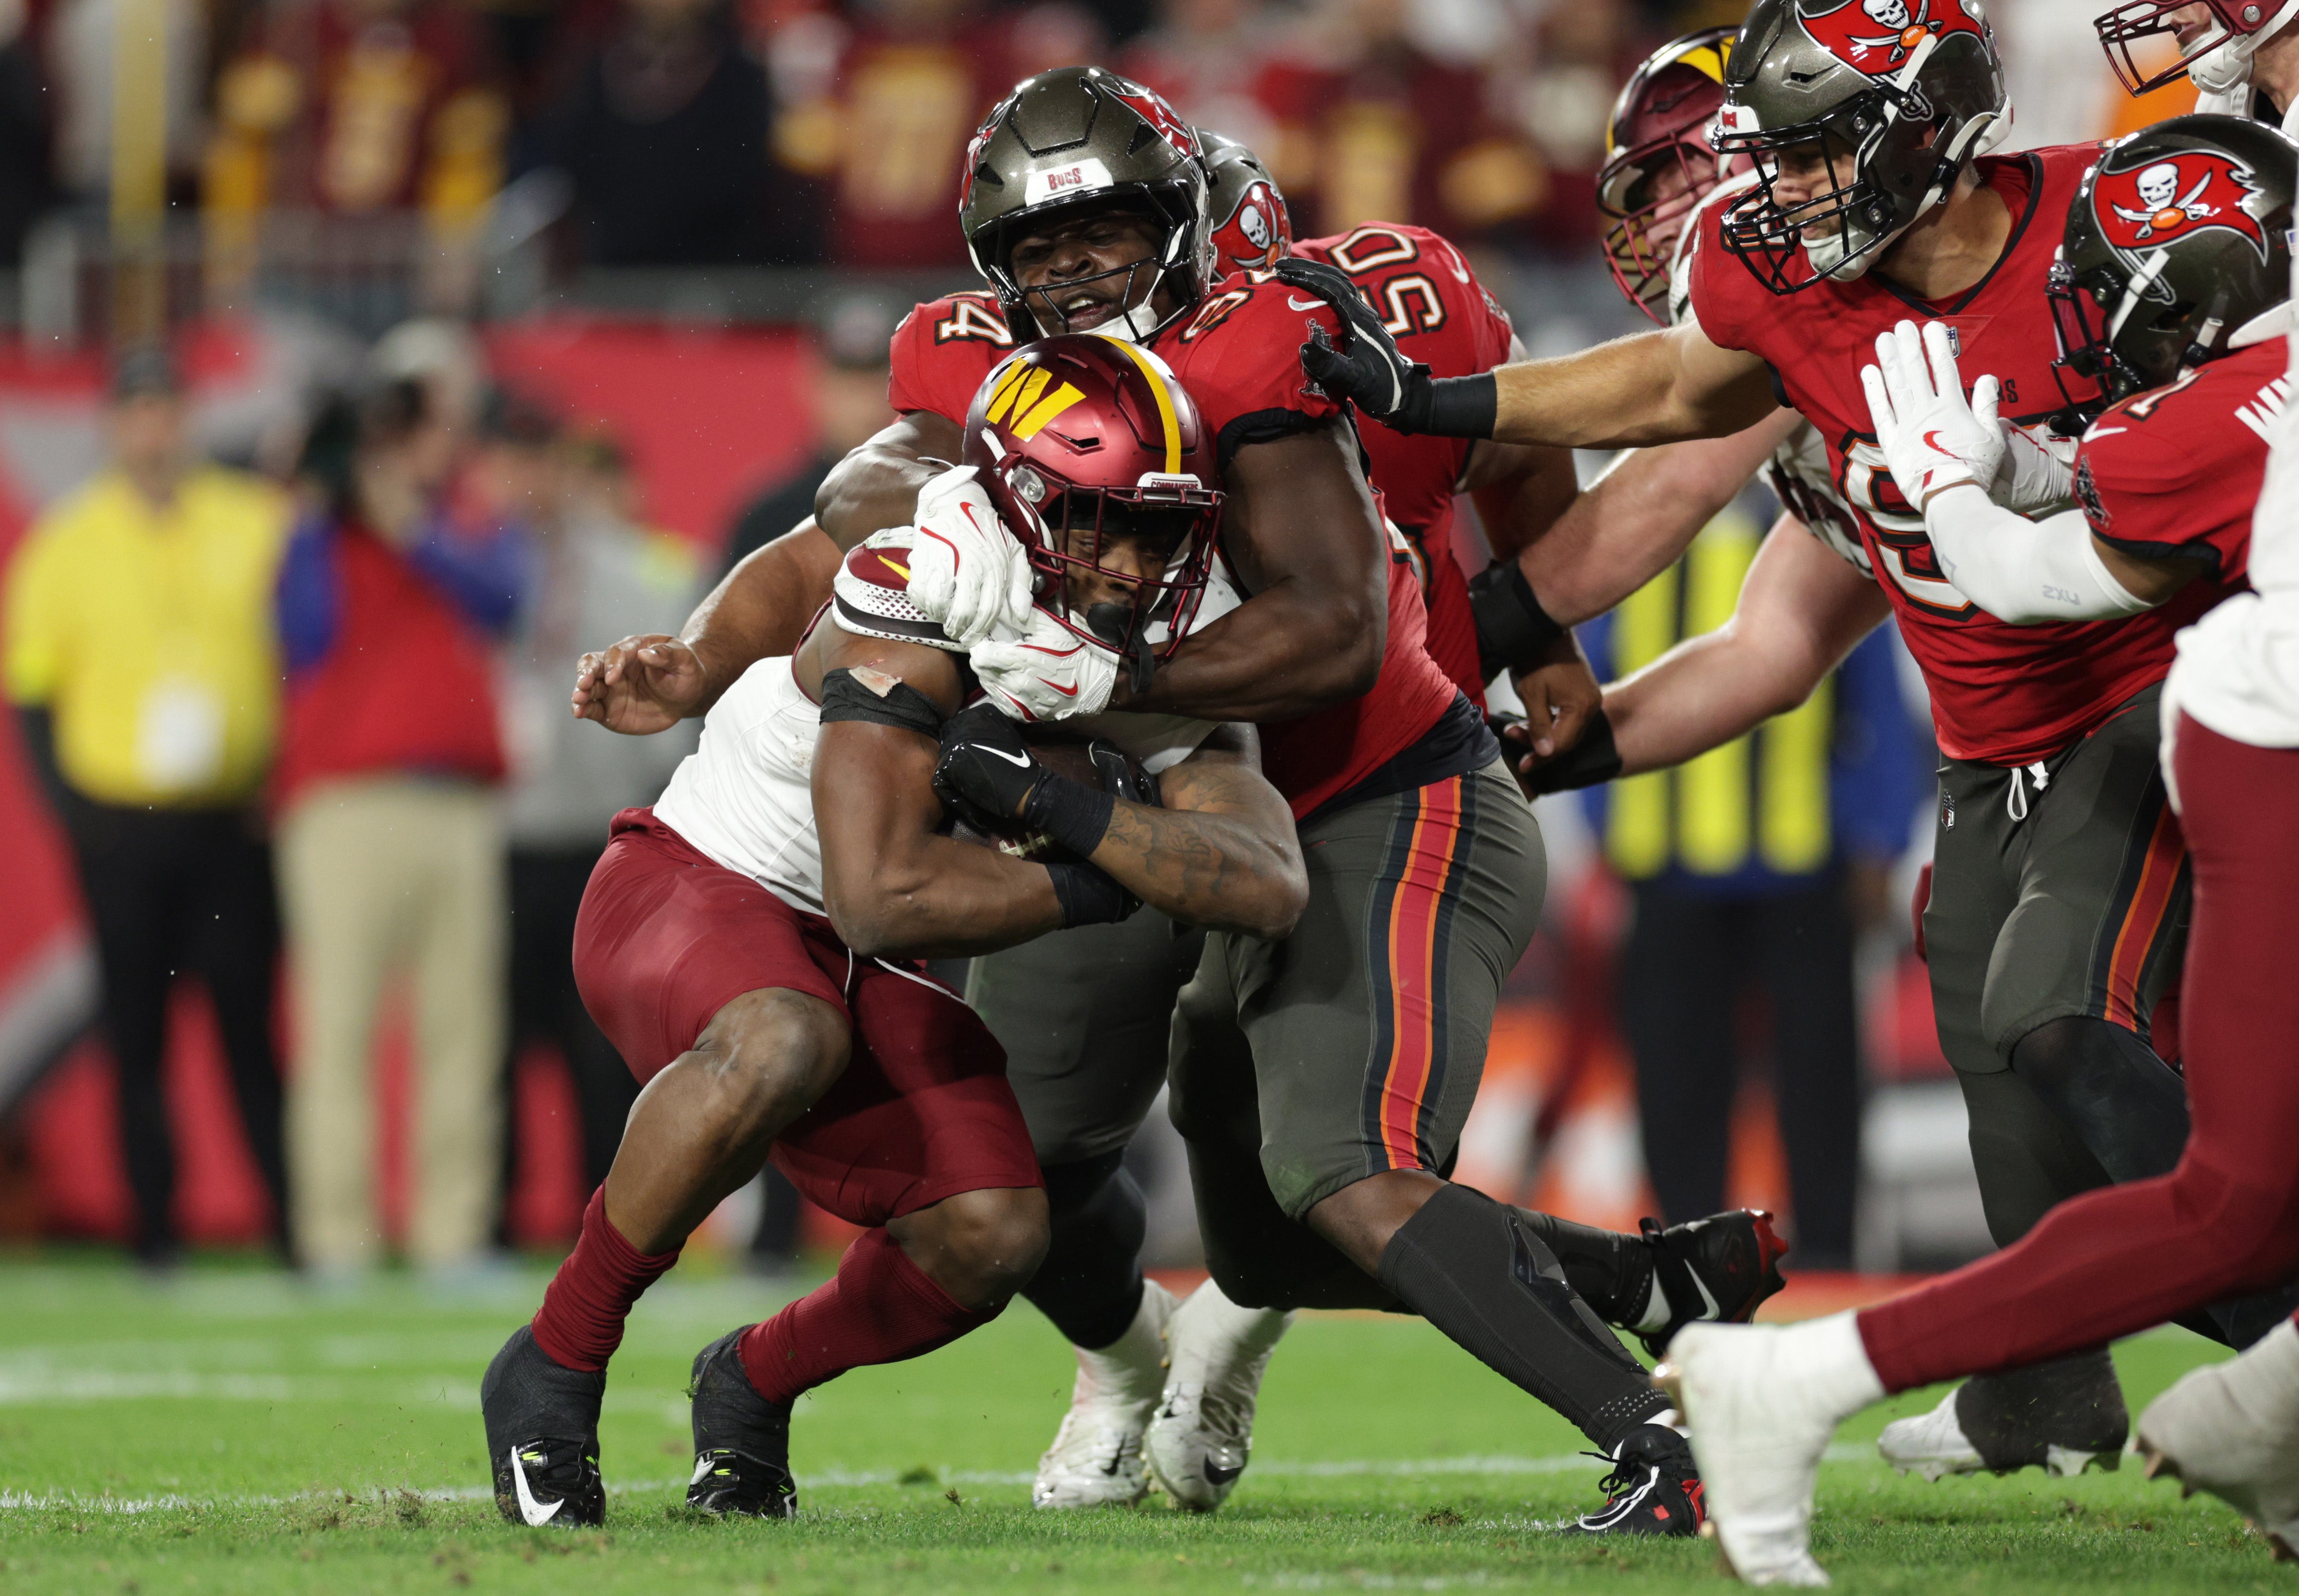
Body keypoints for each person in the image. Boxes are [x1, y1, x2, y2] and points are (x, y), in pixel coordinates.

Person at [570, 67, 1789, 1535]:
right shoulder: (975, 382)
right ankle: (1593, 1286)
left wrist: (1090, 691)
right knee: (1019, 1189)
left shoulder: (1293, 348)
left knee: (1331, 1170)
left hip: (1356, 784)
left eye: (1116, 240)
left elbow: (1366, 607)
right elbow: (839, 522)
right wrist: (763, 613)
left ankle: (1658, 1433)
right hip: (1135, 785)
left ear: (1207, 231)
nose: (1082, 281)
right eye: (1044, 255)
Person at [1278, 0, 2279, 1483]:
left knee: (2057, 1018)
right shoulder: (1790, 293)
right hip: (1985, 744)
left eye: (1812, 154)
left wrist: (1471, 621)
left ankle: (2281, 1344)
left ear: (1924, 135)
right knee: (2006, 1087)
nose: (1776, 193)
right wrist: (1442, 403)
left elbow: (1650, 512)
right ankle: (2043, 1396)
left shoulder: (2109, 223)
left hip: (2152, 695)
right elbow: (1703, 459)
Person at [480, 334, 1309, 1527]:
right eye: (1095, 521)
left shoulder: (1174, 637)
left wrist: (1071, 814)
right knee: (778, 1037)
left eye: (1157, 527)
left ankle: (751, 1379)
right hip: (704, 882)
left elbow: (1266, 876)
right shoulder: (922, 582)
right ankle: (556, 1356)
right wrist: (1107, 868)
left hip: (851, 956)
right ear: (1020, 511)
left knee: (997, 1228)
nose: (1131, 563)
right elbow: (883, 890)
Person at [1659, 113, 2299, 1586]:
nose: (2087, 317)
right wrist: (1990, 466)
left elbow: (2012, 564)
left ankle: (1820, 1377)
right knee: (2219, 1177)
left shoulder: (2215, 402)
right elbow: (2037, 560)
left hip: (2232, 708)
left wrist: (1950, 465)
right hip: (2257, 725)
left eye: (2107, 286)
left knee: (2215, 1171)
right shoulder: (2224, 397)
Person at [2, 347, 293, 1267]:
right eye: (135, 411)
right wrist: (71, 808)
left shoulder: (256, 522)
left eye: (165, 409)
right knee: (139, 1031)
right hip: (123, 821)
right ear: (111, 426)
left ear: (188, 417)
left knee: (251, 1027)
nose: (152, 428)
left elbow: (310, 649)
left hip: (231, 817)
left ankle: (293, 1226)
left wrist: (283, 778)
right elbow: (33, 687)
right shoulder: (71, 537)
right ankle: (154, 1232)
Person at [274, 378, 526, 1280]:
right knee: (335, 1026)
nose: (421, 445)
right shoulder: (319, 535)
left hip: (458, 805)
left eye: (426, 425)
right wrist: (317, 512)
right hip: (345, 804)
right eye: (403, 428)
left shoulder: (461, 522)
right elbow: (300, 636)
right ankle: (336, 1237)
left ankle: (448, 1233)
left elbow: (505, 599)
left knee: (461, 1031)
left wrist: (408, 529)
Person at [491, 406, 701, 1204]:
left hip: (606, 831)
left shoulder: (642, 567)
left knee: (605, 1041)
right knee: (503, 1037)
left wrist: (655, 797)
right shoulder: (491, 559)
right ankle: (499, 1217)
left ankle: (612, 1211)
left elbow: (680, 692)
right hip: (510, 829)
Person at [719, 294, 898, 572]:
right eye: (847, 386)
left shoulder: (940, 503)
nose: (864, 405)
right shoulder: (769, 518)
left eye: (879, 382)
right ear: (811, 383)